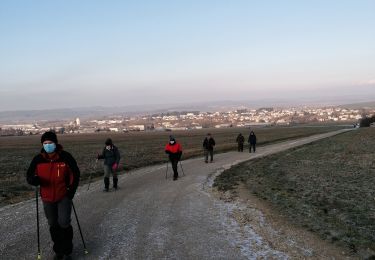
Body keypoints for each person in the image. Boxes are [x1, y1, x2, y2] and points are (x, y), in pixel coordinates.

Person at [26, 131, 80, 260]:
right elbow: (29, 176)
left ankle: (67, 251)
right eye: (45, 143)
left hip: (64, 196)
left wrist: (70, 192)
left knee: (64, 223)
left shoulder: (66, 157)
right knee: (53, 224)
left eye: (50, 142)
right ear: (42, 144)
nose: (48, 145)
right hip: (47, 197)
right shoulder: (38, 159)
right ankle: (58, 251)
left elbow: (75, 174)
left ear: (55, 143)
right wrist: (34, 180)